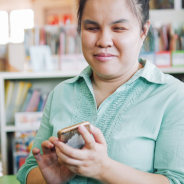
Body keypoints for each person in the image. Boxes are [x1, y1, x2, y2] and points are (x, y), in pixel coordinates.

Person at [17, 0, 184, 183]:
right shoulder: (61, 93)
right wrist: (51, 179)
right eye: (92, 28)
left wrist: (104, 169)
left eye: (119, 28)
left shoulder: (173, 96)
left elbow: (176, 180)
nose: (103, 41)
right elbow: (29, 171)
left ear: (143, 31)